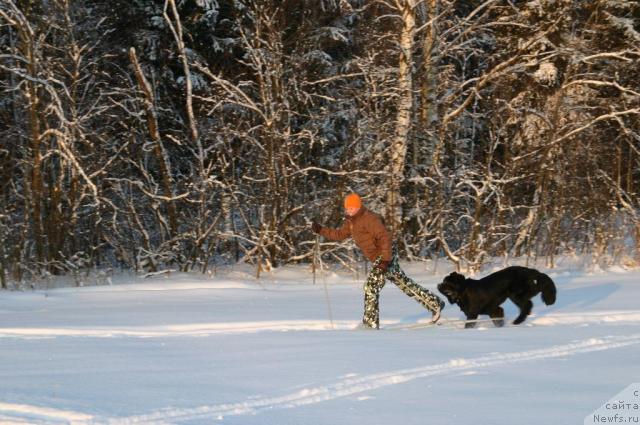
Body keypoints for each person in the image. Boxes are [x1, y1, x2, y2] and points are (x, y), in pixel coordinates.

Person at [311, 193, 444, 329]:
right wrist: (321, 230)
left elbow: (384, 238)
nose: (349, 211)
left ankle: (370, 324)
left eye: (352, 208)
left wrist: (385, 260)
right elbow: (339, 235)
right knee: (403, 282)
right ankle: (435, 303)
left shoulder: (370, 219)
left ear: (358, 206)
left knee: (371, 286)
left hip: (384, 255)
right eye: (347, 208)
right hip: (379, 258)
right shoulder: (351, 222)